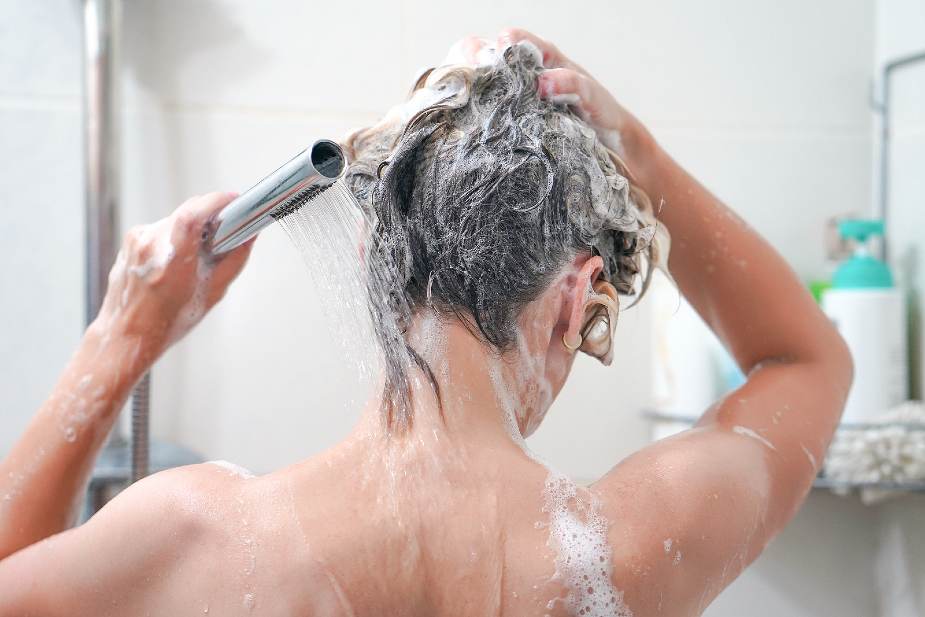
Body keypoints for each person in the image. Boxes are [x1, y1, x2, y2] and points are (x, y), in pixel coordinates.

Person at [0, 29, 851, 616]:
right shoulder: (630, 548)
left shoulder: (191, 539)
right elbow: (804, 361)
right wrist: (638, 150)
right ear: (574, 297)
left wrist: (118, 342)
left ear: (372, 253)